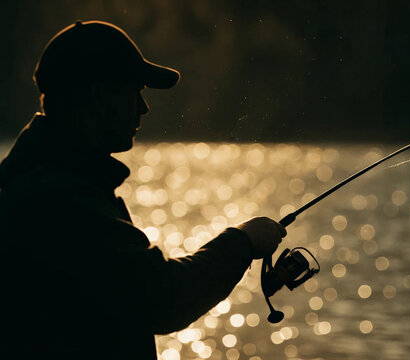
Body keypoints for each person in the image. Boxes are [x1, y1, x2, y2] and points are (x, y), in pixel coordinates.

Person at [0, 20, 286, 360]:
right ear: (98, 95)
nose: (143, 107)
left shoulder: (46, 179)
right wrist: (243, 240)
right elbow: (164, 298)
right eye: (135, 90)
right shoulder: (58, 198)